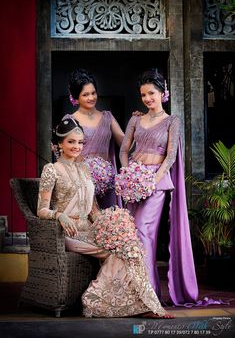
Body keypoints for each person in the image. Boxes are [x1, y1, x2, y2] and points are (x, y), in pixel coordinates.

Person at [37, 117, 174, 318]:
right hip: (69, 233)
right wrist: (59, 216)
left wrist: (113, 224)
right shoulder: (51, 170)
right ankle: (98, 301)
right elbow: (41, 210)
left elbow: (93, 210)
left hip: (90, 229)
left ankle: (140, 305)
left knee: (130, 245)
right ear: (59, 144)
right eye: (71, 142)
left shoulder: (84, 168)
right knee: (121, 252)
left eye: (80, 142)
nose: (77, 146)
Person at [119, 68, 199, 306]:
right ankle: (130, 292)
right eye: (143, 94)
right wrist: (127, 173)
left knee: (144, 232)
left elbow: (171, 156)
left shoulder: (171, 121)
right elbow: (124, 150)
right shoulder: (135, 119)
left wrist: (152, 181)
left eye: (151, 93)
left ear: (163, 93)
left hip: (156, 183)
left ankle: (148, 293)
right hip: (133, 180)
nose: (147, 99)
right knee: (129, 234)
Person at [62, 68, 124, 209]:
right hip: (80, 182)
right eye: (85, 94)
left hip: (107, 182)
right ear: (76, 97)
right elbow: (64, 154)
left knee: (109, 225)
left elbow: (124, 142)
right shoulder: (70, 120)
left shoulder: (107, 117)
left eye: (93, 93)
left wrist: (136, 124)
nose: (91, 97)